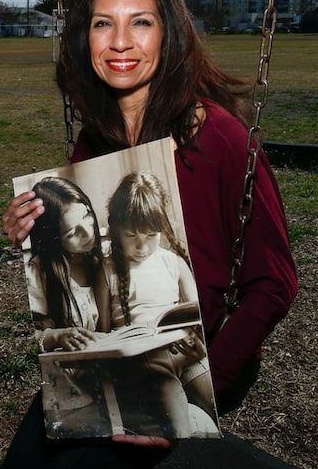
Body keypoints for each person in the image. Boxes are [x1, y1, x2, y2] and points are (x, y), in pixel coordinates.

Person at [1, 0, 298, 466]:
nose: (120, 42)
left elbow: (273, 285)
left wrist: (194, 399)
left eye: (141, 21)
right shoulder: (97, 142)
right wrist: (32, 227)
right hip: (111, 354)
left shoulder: (223, 140)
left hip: (190, 368)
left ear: (170, 35)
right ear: (82, 39)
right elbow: (87, 260)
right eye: (102, 23)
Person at [96, 170, 216, 437]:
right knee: (175, 418)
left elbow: (196, 312)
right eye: (131, 236)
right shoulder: (108, 271)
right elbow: (102, 333)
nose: (142, 246)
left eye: (151, 235)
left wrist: (196, 337)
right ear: (116, 229)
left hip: (184, 349)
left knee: (212, 396)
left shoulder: (173, 263)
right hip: (146, 359)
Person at [27, 176, 104, 353]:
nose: (88, 231)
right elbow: (22, 336)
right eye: (71, 232)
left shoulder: (103, 259)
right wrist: (57, 337)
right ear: (54, 241)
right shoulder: (37, 274)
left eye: (87, 214)